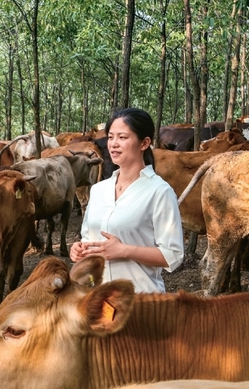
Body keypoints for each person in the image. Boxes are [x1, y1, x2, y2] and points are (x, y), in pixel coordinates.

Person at [70, 108, 184, 293]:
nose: (114, 144)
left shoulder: (159, 192)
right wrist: (80, 249)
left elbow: (173, 255)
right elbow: (89, 239)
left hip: (140, 301)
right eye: (110, 137)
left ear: (144, 143)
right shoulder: (99, 190)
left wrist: (123, 250)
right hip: (97, 300)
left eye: (122, 138)